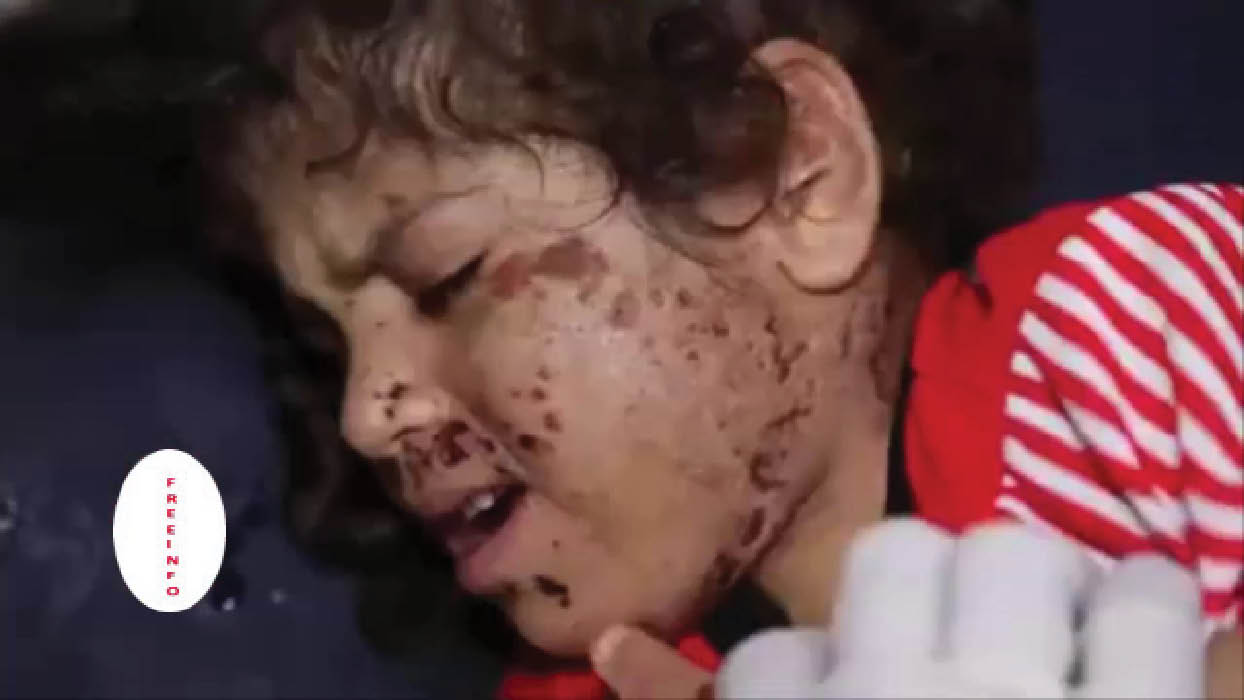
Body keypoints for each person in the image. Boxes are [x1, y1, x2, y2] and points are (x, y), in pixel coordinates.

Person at [200, 1, 1242, 697]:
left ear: (796, 172)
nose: (367, 411)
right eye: (330, 345)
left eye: (448, 278)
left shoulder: (1133, 322)